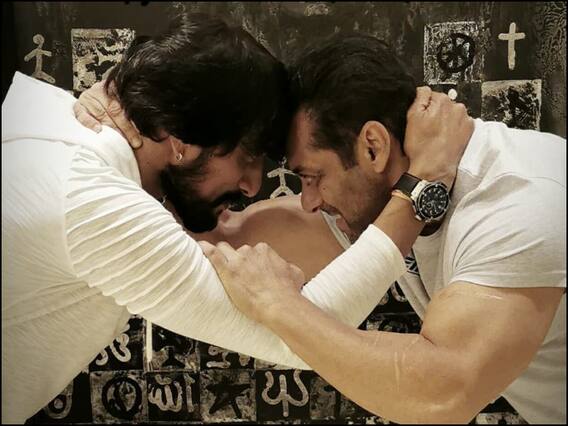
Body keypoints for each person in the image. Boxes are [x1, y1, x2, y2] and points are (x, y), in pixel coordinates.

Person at [1, 15, 471, 424]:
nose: (251, 185)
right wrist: (422, 184)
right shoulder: (95, 205)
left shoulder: (49, 114)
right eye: (246, 157)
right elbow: (306, 337)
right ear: (177, 138)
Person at [198, 34, 566, 424]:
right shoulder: (386, 195)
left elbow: (442, 394)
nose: (309, 201)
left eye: (313, 177)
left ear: (373, 147)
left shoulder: (516, 203)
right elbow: (226, 239)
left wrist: (279, 306)